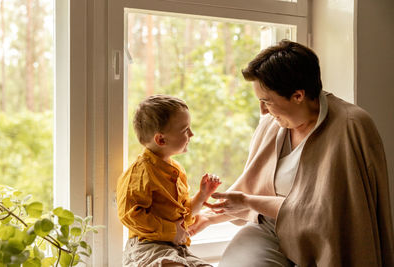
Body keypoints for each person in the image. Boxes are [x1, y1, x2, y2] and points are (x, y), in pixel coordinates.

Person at [188, 40, 394, 266]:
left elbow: (331, 214)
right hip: (270, 228)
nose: (263, 111)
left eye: (266, 101)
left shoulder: (352, 126)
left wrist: (249, 201)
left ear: (298, 95)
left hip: (327, 239)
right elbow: (254, 191)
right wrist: (208, 218)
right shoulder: (271, 125)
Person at [116, 94, 221, 267]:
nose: (191, 134)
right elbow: (129, 215)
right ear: (161, 139)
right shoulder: (140, 172)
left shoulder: (177, 170)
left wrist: (202, 195)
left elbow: (184, 215)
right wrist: (171, 232)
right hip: (147, 247)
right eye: (185, 130)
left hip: (177, 247)